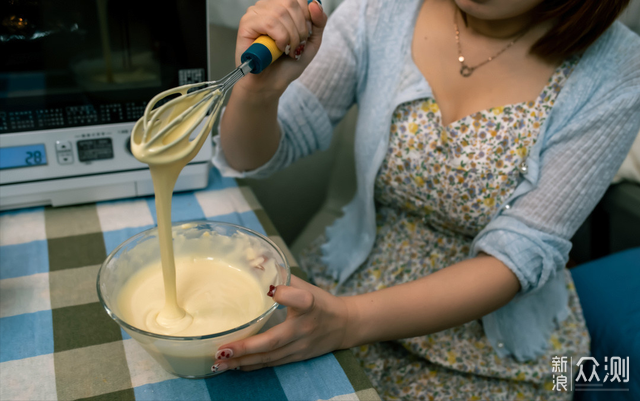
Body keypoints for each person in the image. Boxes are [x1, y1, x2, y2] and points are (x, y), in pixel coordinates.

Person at [211, 0, 640, 399]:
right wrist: (257, 94)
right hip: (353, 281)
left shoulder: (619, 66)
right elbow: (252, 156)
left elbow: (519, 254)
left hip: (492, 345)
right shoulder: (382, 10)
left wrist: (347, 321)